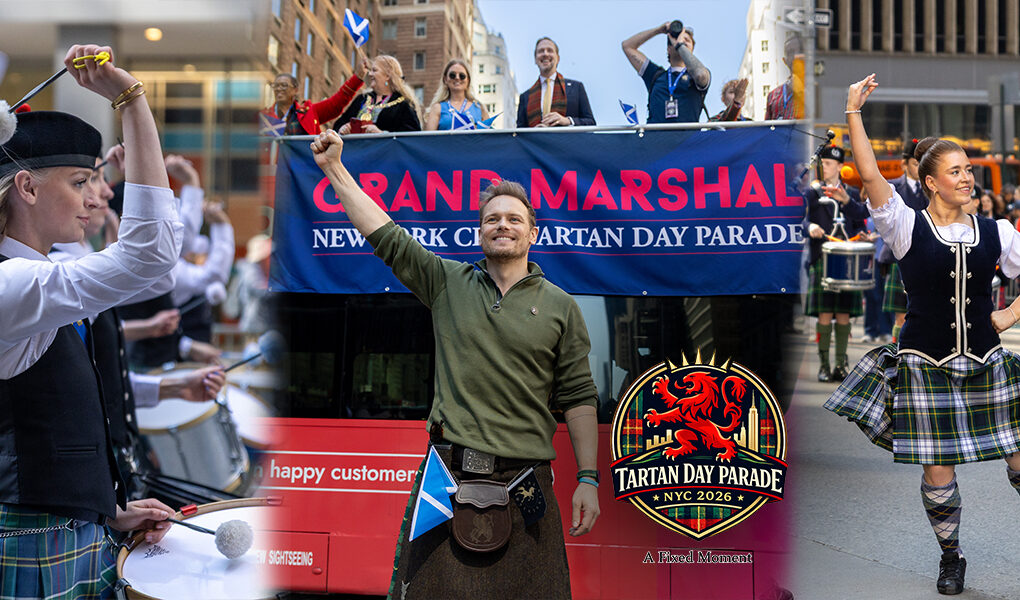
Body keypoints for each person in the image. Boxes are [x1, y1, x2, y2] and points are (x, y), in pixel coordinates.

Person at [309, 129, 599, 598]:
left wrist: (588, 478)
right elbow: (387, 237)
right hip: (447, 478)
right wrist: (334, 169)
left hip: (528, 487)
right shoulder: (448, 281)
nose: (502, 225)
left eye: (513, 218)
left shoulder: (561, 305)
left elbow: (580, 397)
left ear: (533, 232)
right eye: (491, 219)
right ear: (479, 231)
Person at [826, 73, 1020, 596]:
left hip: (985, 361)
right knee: (939, 470)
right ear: (930, 182)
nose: (967, 178)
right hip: (924, 362)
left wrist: (1010, 314)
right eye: (955, 171)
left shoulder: (998, 232)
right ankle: (951, 558)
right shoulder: (906, 225)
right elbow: (869, 178)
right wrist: (853, 113)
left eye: (968, 169)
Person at [0, 44, 180, 597]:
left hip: (67, 531)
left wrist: (104, 510)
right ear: (27, 187)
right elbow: (151, 257)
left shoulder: (34, 277)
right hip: (32, 540)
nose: (92, 200)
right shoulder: (12, 284)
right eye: (78, 183)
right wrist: (131, 101)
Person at [804, 145, 869, 382]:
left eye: (830, 163)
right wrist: (809, 227)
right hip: (823, 257)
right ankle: (823, 365)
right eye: (823, 163)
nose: (825, 167)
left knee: (843, 313)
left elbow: (860, 221)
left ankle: (841, 364)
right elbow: (799, 218)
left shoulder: (850, 192)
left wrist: (863, 233)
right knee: (825, 312)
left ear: (841, 166)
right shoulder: (812, 192)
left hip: (847, 259)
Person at [622, 21, 711, 124]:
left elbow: (701, 75)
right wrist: (658, 30)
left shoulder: (695, 75)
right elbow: (627, 46)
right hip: (655, 138)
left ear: (691, 50)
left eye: (687, 40)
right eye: (679, 39)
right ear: (669, 48)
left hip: (687, 138)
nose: (682, 41)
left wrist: (679, 45)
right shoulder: (655, 75)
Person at [884, 138, 928, 341]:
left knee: (927, 315)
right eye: (915, 163)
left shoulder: (933, 189)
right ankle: (897, 360)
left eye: (923, 163)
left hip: (928, 256)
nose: (920, 168)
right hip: (899, 257)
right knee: (901, 317)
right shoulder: (892, 188)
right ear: (904, 163)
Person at [260, 66, 363, 136]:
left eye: (284, 85)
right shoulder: (263, 117)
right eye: (276, 86)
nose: (279, 89)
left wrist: (357, 77)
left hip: (303, 166)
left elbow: (335, 103)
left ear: (295, 90)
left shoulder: (309, 112)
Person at [516, 37, 595, 128]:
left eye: (550, 50)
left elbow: (591, 123)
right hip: (536, 142)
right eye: (541, 51)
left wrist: (567, 120)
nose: (545, 54)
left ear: (558, 58)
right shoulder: (525, 97)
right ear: (535, 59)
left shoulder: (576, 88)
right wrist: (534, 132)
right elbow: (520, 133)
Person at [334, 55, 422, 134]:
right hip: (357, 150)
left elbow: (412, 136)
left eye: (374, 70)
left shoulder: (404, 104)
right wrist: (343, 128)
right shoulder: (362, 99)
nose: (370, 74)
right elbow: (338, 125)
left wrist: (381, 133)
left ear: (388, 76)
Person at [425, 58, 490, 131]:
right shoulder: (437, 108)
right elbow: (429, 139)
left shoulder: (479, 108)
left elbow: (488, 138)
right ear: (445, 79)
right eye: (452, 75)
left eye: (462, 76)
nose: (457, 78)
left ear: (468, 80)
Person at [764, 35, 804, 120]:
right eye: (791, 53)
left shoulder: (821, 90)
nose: (796, 56)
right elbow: (767, 130)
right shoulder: (773, 96)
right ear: (784, 60)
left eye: (800, 51)